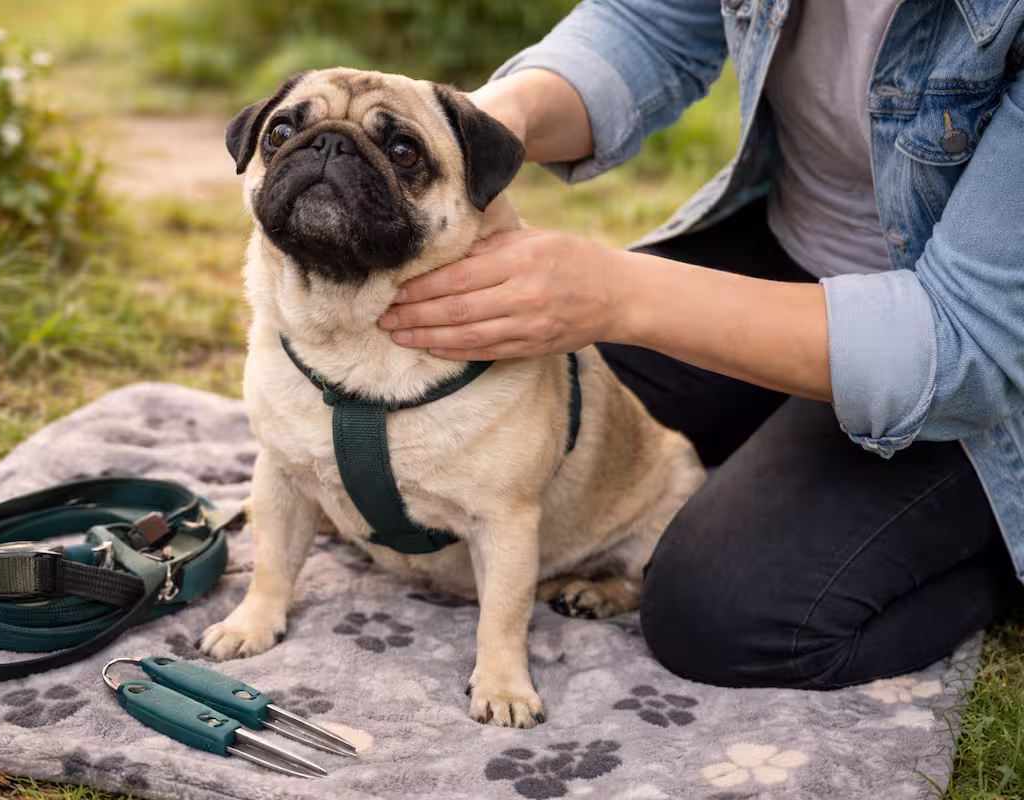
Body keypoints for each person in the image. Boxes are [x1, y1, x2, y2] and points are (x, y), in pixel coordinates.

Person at [376, 0, 1024, 689]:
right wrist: (500, 116)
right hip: (790, 248)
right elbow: (648, 22)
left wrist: (617, 295)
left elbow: (965, 345)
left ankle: (1003, 556)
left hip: (980, 353)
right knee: (540, 411)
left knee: (722, 611)